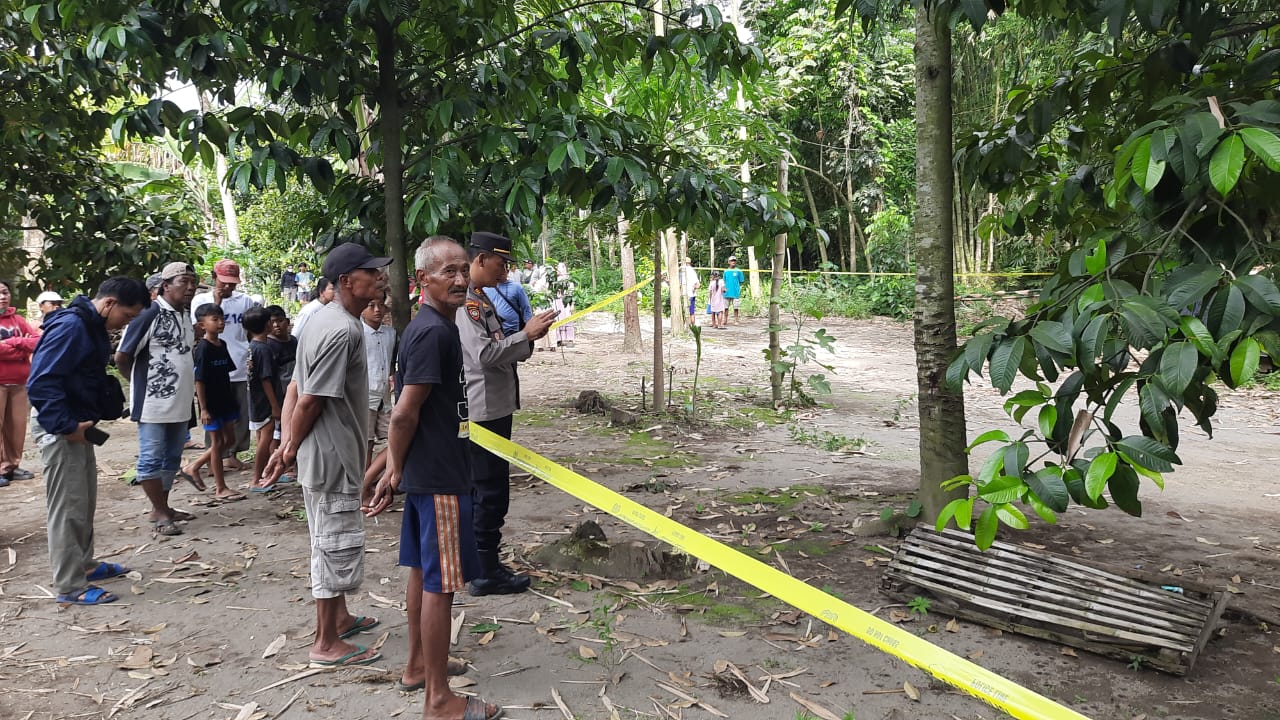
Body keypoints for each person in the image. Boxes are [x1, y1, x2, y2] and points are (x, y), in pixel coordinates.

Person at [366, 235, 503, 720]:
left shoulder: (431, 327)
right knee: (440, 585)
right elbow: (404, 414)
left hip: (432, 472)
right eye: (448, 271)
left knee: (423, 574)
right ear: (422, 279)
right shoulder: (434, 333)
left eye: (464, 269)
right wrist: (396, 467)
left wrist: (391, 467)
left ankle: (419, 667)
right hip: (440, 477)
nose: (460, 279)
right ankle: (439, 701)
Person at [262, 241, 390, 668]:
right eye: (371, 272)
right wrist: (290, 447)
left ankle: (341, 618)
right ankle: (325, 643)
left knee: (327, 536)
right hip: (332, 455)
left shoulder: (319, 321)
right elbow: (312, 398)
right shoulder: (342, 330)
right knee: (333, 543)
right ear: (346, 280)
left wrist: (286, 444)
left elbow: (296, 388)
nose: (380, 278)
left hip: (324, 452)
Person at [29, 277, 149, 605]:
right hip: (62, 427)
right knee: (68, 507)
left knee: (83, 501)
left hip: (78, 425)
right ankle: (69, 585)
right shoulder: (71, 327)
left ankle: (85, 564)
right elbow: (40, 382)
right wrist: (65, 427)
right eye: (128, 315)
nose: (127, 322)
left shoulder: (90, 325)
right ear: (109, 303)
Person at [459, 232, 556, 596]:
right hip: (483, 410)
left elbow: (501, 346)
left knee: (491, 489)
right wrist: (525, 335)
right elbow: (483, 355)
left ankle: (482, 563)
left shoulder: (482, 299)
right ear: (481, 260)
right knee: (488, 491)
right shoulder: (466, 304)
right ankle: (483, 571)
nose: (506, 270)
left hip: (496, 405)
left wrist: (528, 338)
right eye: (501, 263)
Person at [116, 262, 204, 534]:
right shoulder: (149, 315)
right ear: (165, 286)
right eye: (183, 281)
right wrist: (140, 385)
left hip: (180, 402)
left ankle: (162, 508)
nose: (190, 287)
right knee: (151, 457)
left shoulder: (184, 316)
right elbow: (122, 356)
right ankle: (160, 512)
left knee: (171, 457)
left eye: (192, 281)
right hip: (154, 403)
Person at [191, 259, 256, 471]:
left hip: (238, 362)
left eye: (232, 283)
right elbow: (198, 332)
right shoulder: (201, 301)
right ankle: (213, 459)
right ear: (214, 277)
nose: (228, 287)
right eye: (224, 282)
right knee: (214, 420)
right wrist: (217, 302)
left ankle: (233, 454)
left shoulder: (244, 301)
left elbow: (250, 330)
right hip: (213, 369)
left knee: (239, 415)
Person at [183, 304, 244, 503]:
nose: (220, 323)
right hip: (211, 403)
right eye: (214, 319)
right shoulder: (202, 348)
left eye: (221, 319)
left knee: (228, 441)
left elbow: (225, 373)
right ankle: (220, 487)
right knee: (218, 444)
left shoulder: (222, 345)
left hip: (225, 399)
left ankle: (194, 466)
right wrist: (204, 408)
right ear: (202, 325)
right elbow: (199, 380)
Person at [0, 280, 41, 486]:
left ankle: (11, 467)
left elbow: (36, 342)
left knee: (16, 427)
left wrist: (13, 342)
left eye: (5, 292)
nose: (2, 297)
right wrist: (21, 349)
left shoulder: (19, 320)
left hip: (19, 382)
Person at [244, 307, 284, 491]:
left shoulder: (253, 346)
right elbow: (266, 379)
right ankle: (257, 478)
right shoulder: (264, 350)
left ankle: (266, 474)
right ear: (266, 324)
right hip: (265, 401)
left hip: (255, 399)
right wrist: (275, 406)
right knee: (265, 439)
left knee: (262, 437)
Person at [362, 294, 396, 465]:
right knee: (366, 442)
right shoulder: (358, 333)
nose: (377, 310)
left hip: (384, 395)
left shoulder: (390, 333)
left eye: (380, 305)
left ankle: (379, 476)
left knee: (394, 437)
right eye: (371, 305)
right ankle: (364, 480)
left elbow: (389, 361)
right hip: (365, 395)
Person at [483, 264, 533, 338]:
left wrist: (528, 327)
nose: (499, 273)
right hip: (495, 331)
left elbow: (526, 308)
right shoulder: (487, 287)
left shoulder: (517, 287)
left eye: (502, 271)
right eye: (497, 271)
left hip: (512, 330)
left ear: (507, 271)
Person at [551, 262, 576, 348]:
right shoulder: (553, 281)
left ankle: (570, 339)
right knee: (557, 320)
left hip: (566, 302)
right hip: (557, 302)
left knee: (568, 319)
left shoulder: (568, 281)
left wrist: (572, 304)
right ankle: (559, 339)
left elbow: (572, 293)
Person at [723, 256, 745, 325]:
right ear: (729, 262)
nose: (733, 262)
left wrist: (737, 287)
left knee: (736, 307)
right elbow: (724, 281)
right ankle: (725, 320)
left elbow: (741, 280)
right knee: (725, 307)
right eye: (732, 261)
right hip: (727, 292)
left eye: (734, 261)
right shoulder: (726, 271)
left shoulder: (738, 271)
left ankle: (736, 320)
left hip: (735, 292)